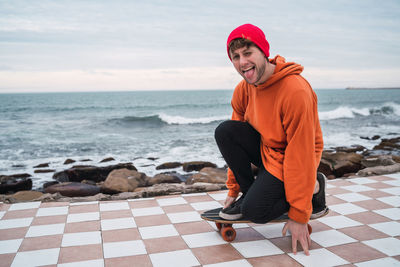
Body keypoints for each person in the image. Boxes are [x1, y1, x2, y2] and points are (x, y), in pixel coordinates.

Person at [215, 24, 328, 255]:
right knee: (225, 131)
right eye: (235, 57)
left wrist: (299, 213)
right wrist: (233, 189)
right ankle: (250, 193)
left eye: (248, 53)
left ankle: (314, 187)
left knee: (256, 212)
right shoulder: (244, 89)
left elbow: (301, 152)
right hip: (267, 152)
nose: (242, 62)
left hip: (294, 158)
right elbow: (235, 138)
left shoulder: (295, 90)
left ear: (263, 52)